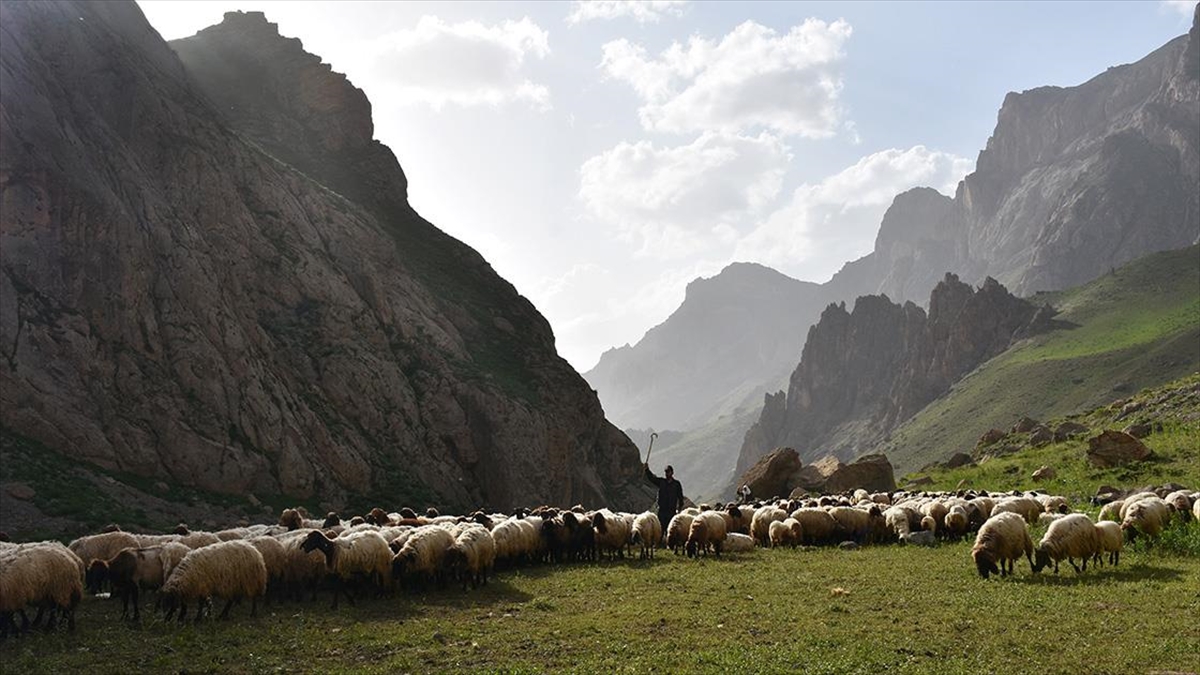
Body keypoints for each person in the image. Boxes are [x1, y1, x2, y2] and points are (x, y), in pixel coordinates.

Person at [644, 463, 684, 538]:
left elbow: (680, 497)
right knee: (661, 527)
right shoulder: (662, 482)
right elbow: (652, 479)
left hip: (671, 510)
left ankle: (669, 543)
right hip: (662, 510)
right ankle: (660, 543)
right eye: (666, 472)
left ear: (672, 472)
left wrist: (679, 508)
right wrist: (647, 470)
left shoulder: (676, 484)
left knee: (670, 528)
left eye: (668, 472)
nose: (666, 473)